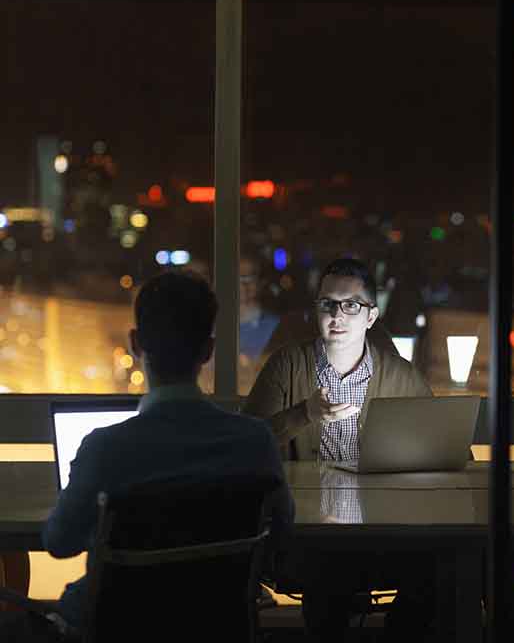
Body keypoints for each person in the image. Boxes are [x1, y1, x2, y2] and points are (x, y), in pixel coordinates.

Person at [0, 271, 293, 642]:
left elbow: (59, 542)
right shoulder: (256, 443)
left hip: (112, 627)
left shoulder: (104, 449)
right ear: (208, 350)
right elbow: (282, 532)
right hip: (215, 627)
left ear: (136, 344)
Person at [244, 257, 433, 641]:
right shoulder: (287, 366)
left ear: (371, 316)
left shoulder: (401, 376)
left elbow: (440, 447)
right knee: (329, 571)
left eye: (351, 305)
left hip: (382, 526)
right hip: (306, 529)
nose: (337, 314)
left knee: (440, 570)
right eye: (327, 303)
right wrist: (304, 414)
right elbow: (248, 443)